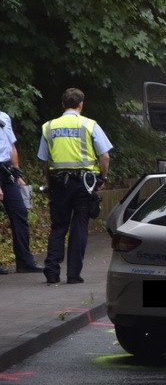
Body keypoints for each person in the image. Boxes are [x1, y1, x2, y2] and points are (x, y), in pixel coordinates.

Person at [37, 88, 113, 284]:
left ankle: (52, 271)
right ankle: (73, 275)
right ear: (81, 105)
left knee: (58, 227)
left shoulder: (49, 126)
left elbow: (43, 160)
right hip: (84, 183)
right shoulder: (90, 125)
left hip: (58, 182)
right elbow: (104, 156)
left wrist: (48, 182)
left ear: (63, 104)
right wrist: (102, 178)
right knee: (79, 227)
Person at [0, 109, 43, 274]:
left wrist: (16, 171)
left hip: (6, 170)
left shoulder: (4, 117)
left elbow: (11, 145)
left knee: (20, 213)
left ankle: (24, 261)